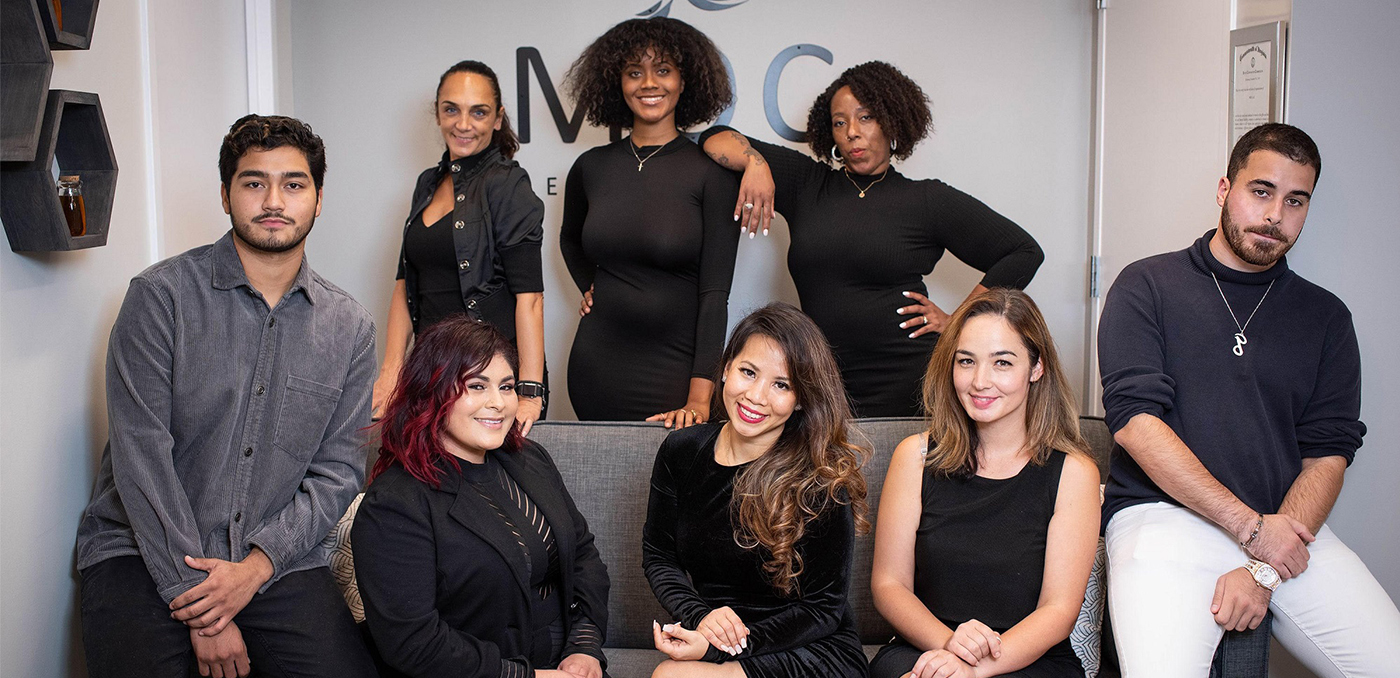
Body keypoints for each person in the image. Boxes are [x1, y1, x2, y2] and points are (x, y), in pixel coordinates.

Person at [75, 114, 377, 678]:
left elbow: (338, 471)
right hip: (140, 550)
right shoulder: (159, 298)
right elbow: (142, 458)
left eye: (293, 184)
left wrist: (256, 568)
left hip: (275, 560)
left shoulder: (349, 327)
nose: (274, 201)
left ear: (318, 200)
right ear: (225, 195)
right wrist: (203, 609)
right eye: (253, 182)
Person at [1098, 123, 1400, 677]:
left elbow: (1328, 453)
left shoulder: (1326, 317)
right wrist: (1249, 530)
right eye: (1261, 191)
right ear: (1224, 189)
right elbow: (1136, 423)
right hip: (1164, 517)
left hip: (1286, 523)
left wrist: (1266, 564)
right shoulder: (1147, 285)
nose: (1275, 215)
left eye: (1295, 201)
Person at [699, 61, 1044, 417]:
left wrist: (959, 322)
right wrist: (755, 163)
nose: (852, 132)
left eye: (865, 118)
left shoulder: (926, 200)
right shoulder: (808, 184)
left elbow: (1023, 251)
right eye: (840, 122)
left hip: (911, 381)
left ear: (891, 122)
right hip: (826, 382)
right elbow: (714, 138)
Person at [353, 317, 610, 678]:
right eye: (477, 386)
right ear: (431, 392)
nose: (498, 403)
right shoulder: (394, 504)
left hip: (570, 668)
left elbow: (582, 554)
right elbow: (413, 643)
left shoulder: (530, 459)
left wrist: (584, 646)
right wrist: (526, 676)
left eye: (506, 387)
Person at [868, 289, 1100, 678]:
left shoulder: (1074, 472)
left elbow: (1058, 610)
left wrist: (973, 671)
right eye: (966, 361)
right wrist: (950, 647)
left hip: (1031, 661)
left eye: (1002, 363)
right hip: (927, 647)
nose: (980, 381)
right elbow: (889, 585)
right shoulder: (914, 457)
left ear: (1036, 368)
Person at [643, 303, 870, 678]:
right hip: (721, 642)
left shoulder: (821, 479)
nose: (757, 396)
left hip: (812, 650)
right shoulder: (680, 452)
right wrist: (700, 618)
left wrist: (721, 648)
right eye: (748, 372)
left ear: (801, 399)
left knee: (672, 675)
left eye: (781, 385)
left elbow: (823, 609)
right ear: (726, 368)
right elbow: (659, 556)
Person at [560, 17, 740, 427]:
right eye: (634, 72)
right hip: (596, 366)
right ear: (617, 82)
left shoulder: (711, 173)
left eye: (663, 70)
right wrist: (589, 284)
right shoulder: (591, 167)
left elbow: (715, 295)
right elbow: (569, 239)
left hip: (674, 371)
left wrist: (699, 398)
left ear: (684, 80)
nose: (648, 83)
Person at [372, 60, 548, 434]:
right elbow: (405, 285)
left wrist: (530, 391)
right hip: (431, 375)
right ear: (438, 113)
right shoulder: (426, 184)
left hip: (488, 379)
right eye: (451, 110)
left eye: (478, 112)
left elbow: (530, 298)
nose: (463, 124)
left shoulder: (509, 184)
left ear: (497, 118)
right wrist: (390, 373)